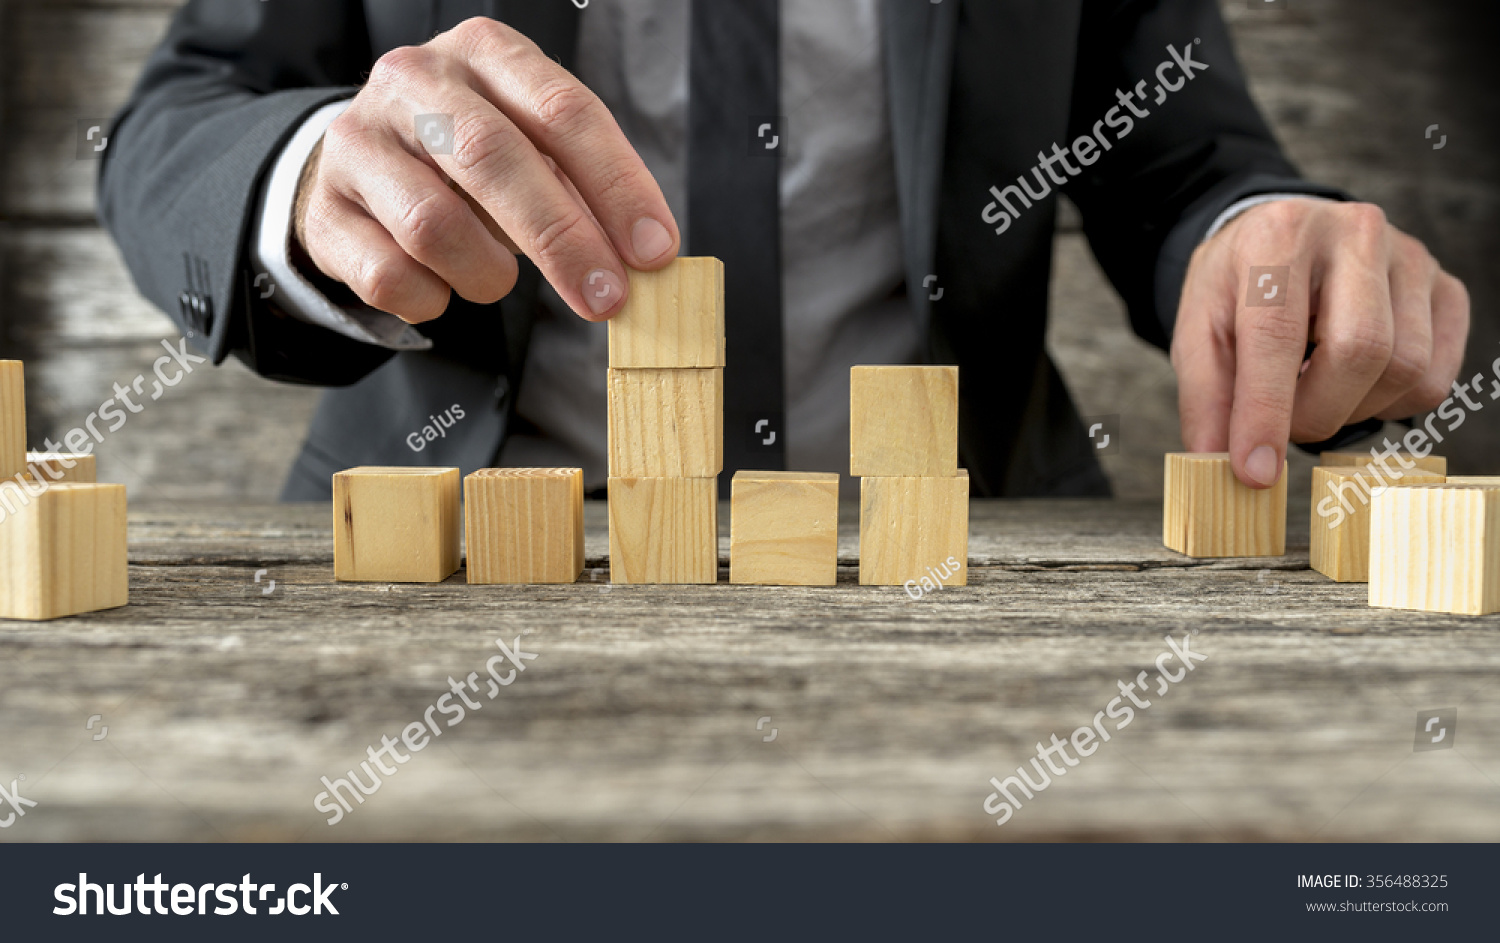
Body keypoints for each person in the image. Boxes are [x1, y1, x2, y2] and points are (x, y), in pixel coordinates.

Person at [99, 0, 1470, 500]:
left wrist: (1267, 247)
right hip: (460, 544)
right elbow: (181, 117)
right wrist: (309, 171)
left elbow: (1179, 159)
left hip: (960, 566)